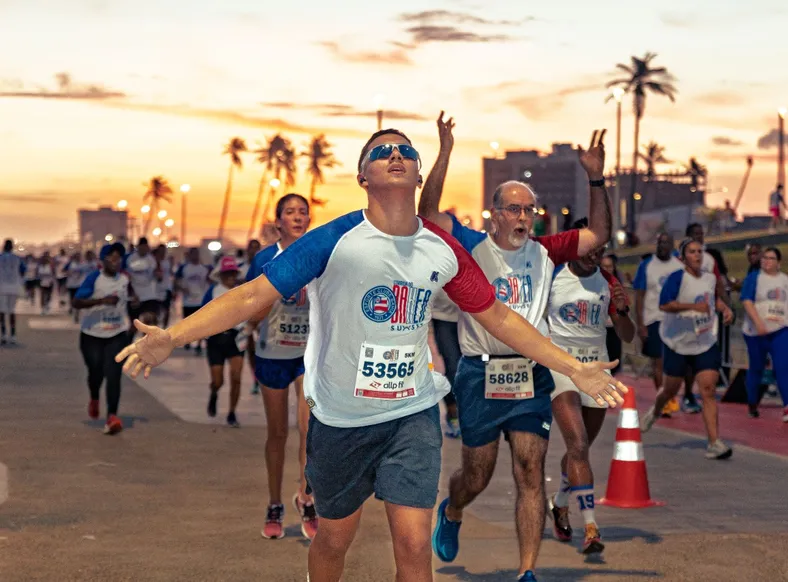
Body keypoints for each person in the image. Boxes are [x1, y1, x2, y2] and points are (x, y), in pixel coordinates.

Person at [115, 125, 627, 582]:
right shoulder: (334, 240)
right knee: (335, 540)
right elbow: (252, 294)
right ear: (363, 176)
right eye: (382, 152)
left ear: (418, 170)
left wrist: (574, 368)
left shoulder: (442, 248)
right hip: (341, 419)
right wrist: (173, 337)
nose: (395, 154)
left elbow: (498, 316)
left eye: (405, 150)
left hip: (413, 413)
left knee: (411, 547)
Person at [421, 122, 616, 581]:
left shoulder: (546, 252)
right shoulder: (470, 246)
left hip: (531, 375)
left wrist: (595, 177)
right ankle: (452, 510)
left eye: (530, 209)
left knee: (532, 470)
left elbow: (600, 234)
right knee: (478, 474)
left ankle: (527, 571)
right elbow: (428, 214)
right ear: (494, 214)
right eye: (514, 209)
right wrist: (446, 149)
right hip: (479, 375)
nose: (524, 217)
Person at [546, 219, 635, 555]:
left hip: (597, 371)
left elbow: (627, 335)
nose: (593, 255)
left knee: (577, 452)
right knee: (579, 444)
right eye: (587, 247)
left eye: (599, 249)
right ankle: (592, 528)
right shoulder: (553, 275)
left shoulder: (608, 281)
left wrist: (623, 310)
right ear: (573, 244)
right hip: (562, 370)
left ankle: (558, 504)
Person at [246, 193, 317, 540]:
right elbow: (249, 311)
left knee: (309, 429)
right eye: (290, 212)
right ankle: (274, 503)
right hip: (273, 352)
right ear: (278, 222)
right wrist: (274, 291)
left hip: (308, 355)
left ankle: (306, 498)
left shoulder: (320, 255)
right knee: (278, 433)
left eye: (303, 211)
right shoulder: (264, 259)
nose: (298, 217)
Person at [641, 239, 734, 459]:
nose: (698, 256)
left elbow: (712, 301)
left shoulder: (710, 278)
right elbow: (664, 305)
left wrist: (725, 309)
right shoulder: (677, 278)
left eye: (700, 251)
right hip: (678, 343)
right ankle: (655, 411)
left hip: (704, 342)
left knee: (708, 390)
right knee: (670, 390)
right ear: (683, 257)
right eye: (692, 252)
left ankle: (714, 443)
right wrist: (693, 307)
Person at [417, 112, 461, 437]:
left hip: (467, 317)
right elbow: (428, 211)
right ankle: (453, 414)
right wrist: (445, 151)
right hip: (439, 314)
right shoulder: (431, 236)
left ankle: (465, 413)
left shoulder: (475, 242)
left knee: (464, 368)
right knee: (450, 362)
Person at [72, 243, 133, 435]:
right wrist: (101, 301)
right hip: (92, 334)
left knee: (113, 374)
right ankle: (94, 397)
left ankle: (112, 416)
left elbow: (130, 299)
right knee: (96, 371)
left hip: (117, 333)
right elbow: (77, 302)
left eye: (119, 258)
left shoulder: (124, 279)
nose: (116, 261)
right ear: (103, 260)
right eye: (112, 257)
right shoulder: (94, 279)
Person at [633, 233, 684, 416]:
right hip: (653, 319)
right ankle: (664, 400)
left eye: (666, 243)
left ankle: (670, 395)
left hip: (674, 320)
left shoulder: (679, 267)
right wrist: (640, 323)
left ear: (672, 246)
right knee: (659, 362)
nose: (662, 246)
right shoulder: (647, 266)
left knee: (675, 364)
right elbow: (639, 295)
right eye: (660, 243)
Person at [740, 247, 788, 421]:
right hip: (756, 332)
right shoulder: (754, 278)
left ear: (778, 262)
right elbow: (746, 301)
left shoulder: (785, 280)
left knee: (783, 366)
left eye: (771, 258)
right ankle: (752, 402)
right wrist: (759, 323)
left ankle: (787, 406)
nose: (766, 261)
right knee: (757, 368)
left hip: (781, 329)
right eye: (764, 258)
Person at [202, 256, 247, 428]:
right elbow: (202, 314)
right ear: (220, 275)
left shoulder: (242, 290)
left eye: (233, 273)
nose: (230, 276)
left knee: (236, 377)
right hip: (216, 339)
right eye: (227, 273)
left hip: (237, 338)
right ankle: (214, 392)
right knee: (218, 380)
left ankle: (232, 413)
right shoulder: (213, 291)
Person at [175, 248, 211, 354]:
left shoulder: (204, 268)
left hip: (200, 301)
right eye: (193, 254)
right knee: (187, 323)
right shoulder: (184, 268)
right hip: (188, 301)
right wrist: (182, 288)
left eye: (196, 254)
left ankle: (199, 344)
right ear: (189, 255)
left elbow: (210, 280)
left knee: (200, 324)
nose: (195, 256)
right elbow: (176, 281)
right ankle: (188, 340)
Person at [123, 237, 161, 333]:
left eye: (146, 247)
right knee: (134, 326)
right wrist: (131, 293)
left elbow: (158, 276)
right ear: (138, 247)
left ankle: (146, 344)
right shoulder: (130, 259)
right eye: (142, 247)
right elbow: (126, 278)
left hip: (149, 295)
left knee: (149, 321)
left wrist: (158, 274)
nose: (144, 249)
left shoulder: (151, 259)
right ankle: (128, 344)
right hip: (134, 295)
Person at [601, 252, 623, 376]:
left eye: (610, 266)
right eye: (604, 266)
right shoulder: (594, 283)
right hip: (598, 329)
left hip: (614, 329)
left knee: (614, 361)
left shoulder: (617, 284)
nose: (608, 269)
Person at [0, 239, 25, 345]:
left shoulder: (0, 257)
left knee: (2, 311)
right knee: (12, 311)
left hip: (2, 287)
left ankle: (4, 334)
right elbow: (23, 270)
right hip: (14, 286)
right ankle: (13, 335)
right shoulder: (17, 258)